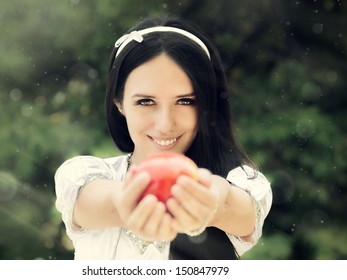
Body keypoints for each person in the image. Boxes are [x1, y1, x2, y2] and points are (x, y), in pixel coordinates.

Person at [54, 15, 272, 260]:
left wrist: (211, 203)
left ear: (206, 104)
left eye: (185, 101)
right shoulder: (85, 176)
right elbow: (100, 201)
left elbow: (230, 206)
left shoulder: (243, 182)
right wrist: (127, 202)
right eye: (145, 101)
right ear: (119, 103)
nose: (165, 124)